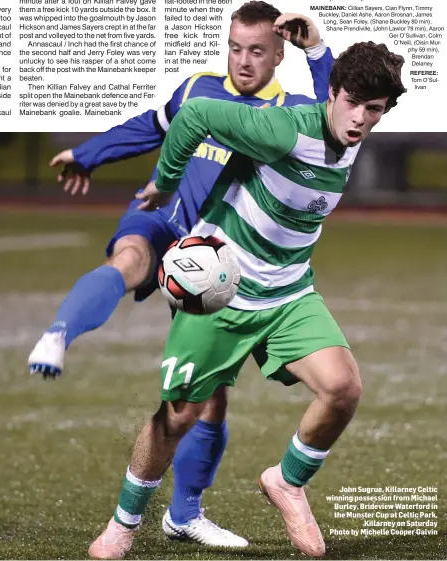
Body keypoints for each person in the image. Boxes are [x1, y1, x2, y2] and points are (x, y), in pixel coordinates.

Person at [28, 2, 335, 548]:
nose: (243, 61)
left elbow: (339, 109)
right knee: (126, 259)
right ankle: (59, 333)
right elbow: (152, 126)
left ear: (278, 52)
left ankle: (184, 514)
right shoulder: (198, 87)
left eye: (257, 51)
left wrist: (319, 50)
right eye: (235, 48)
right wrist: (89, 153)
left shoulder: (290, 114)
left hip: (215, 255)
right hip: (165, 218)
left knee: (208, 399)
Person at [87, 41, 406, 559]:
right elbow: (195, 115)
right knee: (179, 416)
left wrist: (320, 45)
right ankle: (124, 524)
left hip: (289, 293)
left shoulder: (351, 120)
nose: (361, 120)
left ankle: (287, 481)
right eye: (354, 104)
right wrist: (165, 185)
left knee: (343, 388)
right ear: (334, 95)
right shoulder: (283, 130)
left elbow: (343, 86)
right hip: (223, 293)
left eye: (375, 111)